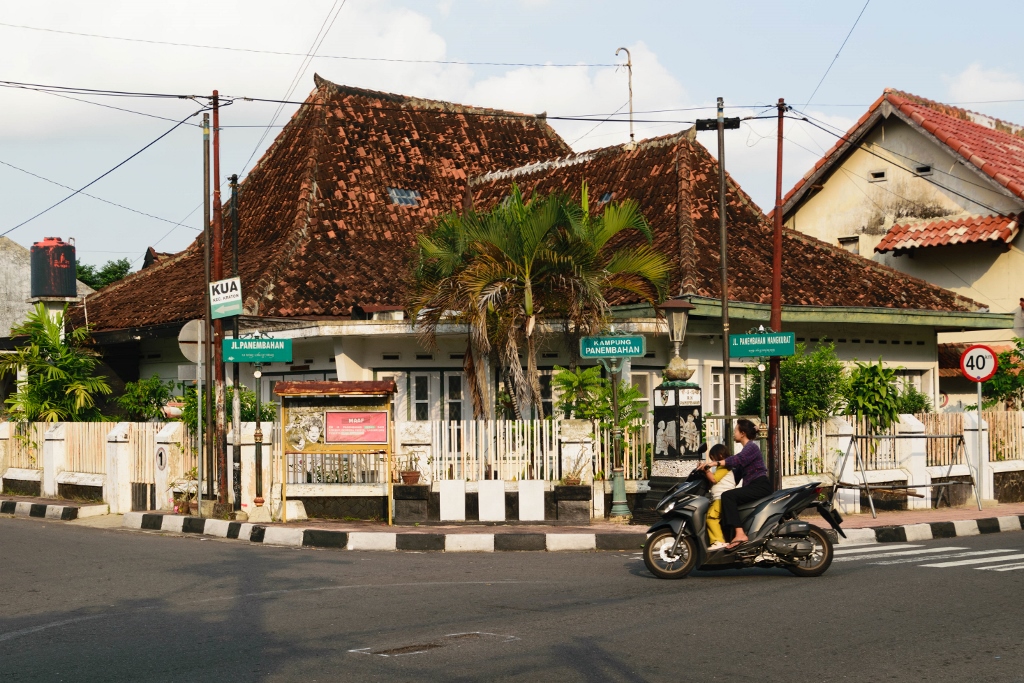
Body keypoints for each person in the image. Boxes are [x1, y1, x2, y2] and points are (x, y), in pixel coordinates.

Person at [720, 419, 772, 550]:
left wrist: (716, 463)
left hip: (760, 485)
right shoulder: (746, 450)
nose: (734, 433)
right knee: (726, 499)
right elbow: (735, 477)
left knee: (728, 496)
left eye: (735, 430)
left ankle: (740, 534)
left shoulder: (751, 447)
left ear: (742, 433)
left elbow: (738, 459)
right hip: (754, 486)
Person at [696, 443, 735, 550]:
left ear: (720, 455)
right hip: (718, 498)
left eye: (713, 458)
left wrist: (706, 470)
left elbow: (714, 479)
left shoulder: (724, 467)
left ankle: (719, 541)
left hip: (721, 498)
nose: (712, 461)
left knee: (711, 518)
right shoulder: (720, 468)